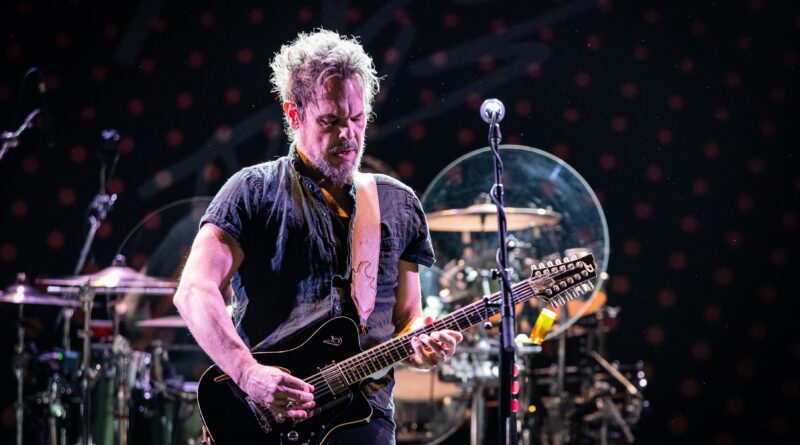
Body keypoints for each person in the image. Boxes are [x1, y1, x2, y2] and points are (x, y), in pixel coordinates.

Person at [173, 29, 463, 444]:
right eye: (330, 120)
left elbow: (407, 319)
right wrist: (248, 373)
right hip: (264, 419)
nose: (348, 134)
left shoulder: (397, 203)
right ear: (294, 115)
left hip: (365, 423)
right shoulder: (252, 190)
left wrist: (423, 342)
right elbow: (193, 291)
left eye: (357, 119)